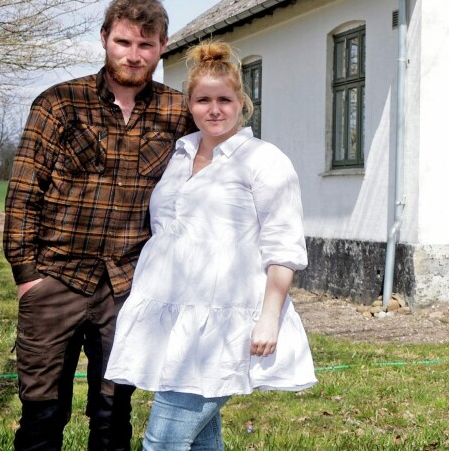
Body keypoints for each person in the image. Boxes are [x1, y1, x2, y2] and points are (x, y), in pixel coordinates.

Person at [4, 0, 195, 451]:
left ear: (162, 46)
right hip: (55, 277)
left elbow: (208, 184)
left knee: (113, 413)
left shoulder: (177, 113)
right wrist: (28, 276)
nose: (134, 55)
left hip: (128, 285)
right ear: (105, 38)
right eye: (124, 42)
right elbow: (24, 193)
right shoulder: (59, 104)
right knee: (41, 412)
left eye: (145, 46)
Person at [105, 40, 316, 450]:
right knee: (201, 441)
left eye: (224, 99)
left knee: (162, 442)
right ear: (190, 103)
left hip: (226, 322)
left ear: (242, 103)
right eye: (203, 100)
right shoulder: (179, 155)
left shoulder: (263, 159)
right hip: (175, 318)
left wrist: (269, 317)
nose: (214, 109)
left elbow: (283, 245)